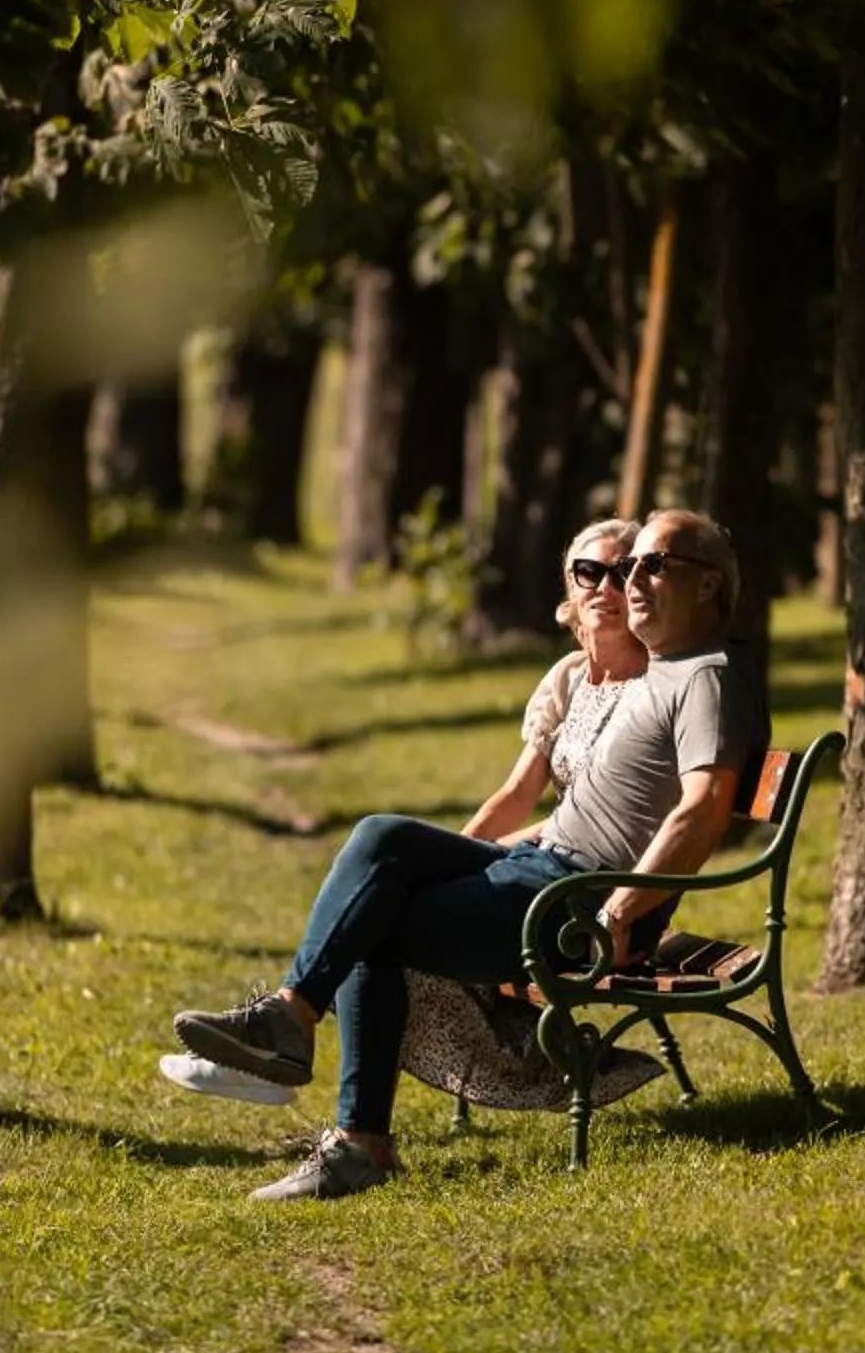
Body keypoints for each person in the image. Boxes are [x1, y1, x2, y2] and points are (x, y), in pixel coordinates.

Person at [173, 508, 767, 1202]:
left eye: (654, 564)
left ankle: (356, 1136)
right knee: (382, 837)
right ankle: (293, 1017)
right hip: (542, 869)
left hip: (574, 901)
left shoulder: (705, 678)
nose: (633, 578)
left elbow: (702, 809)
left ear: (709, 587)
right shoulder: (659, 672)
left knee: (376, 928)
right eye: (631, 564)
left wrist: (620, 910)